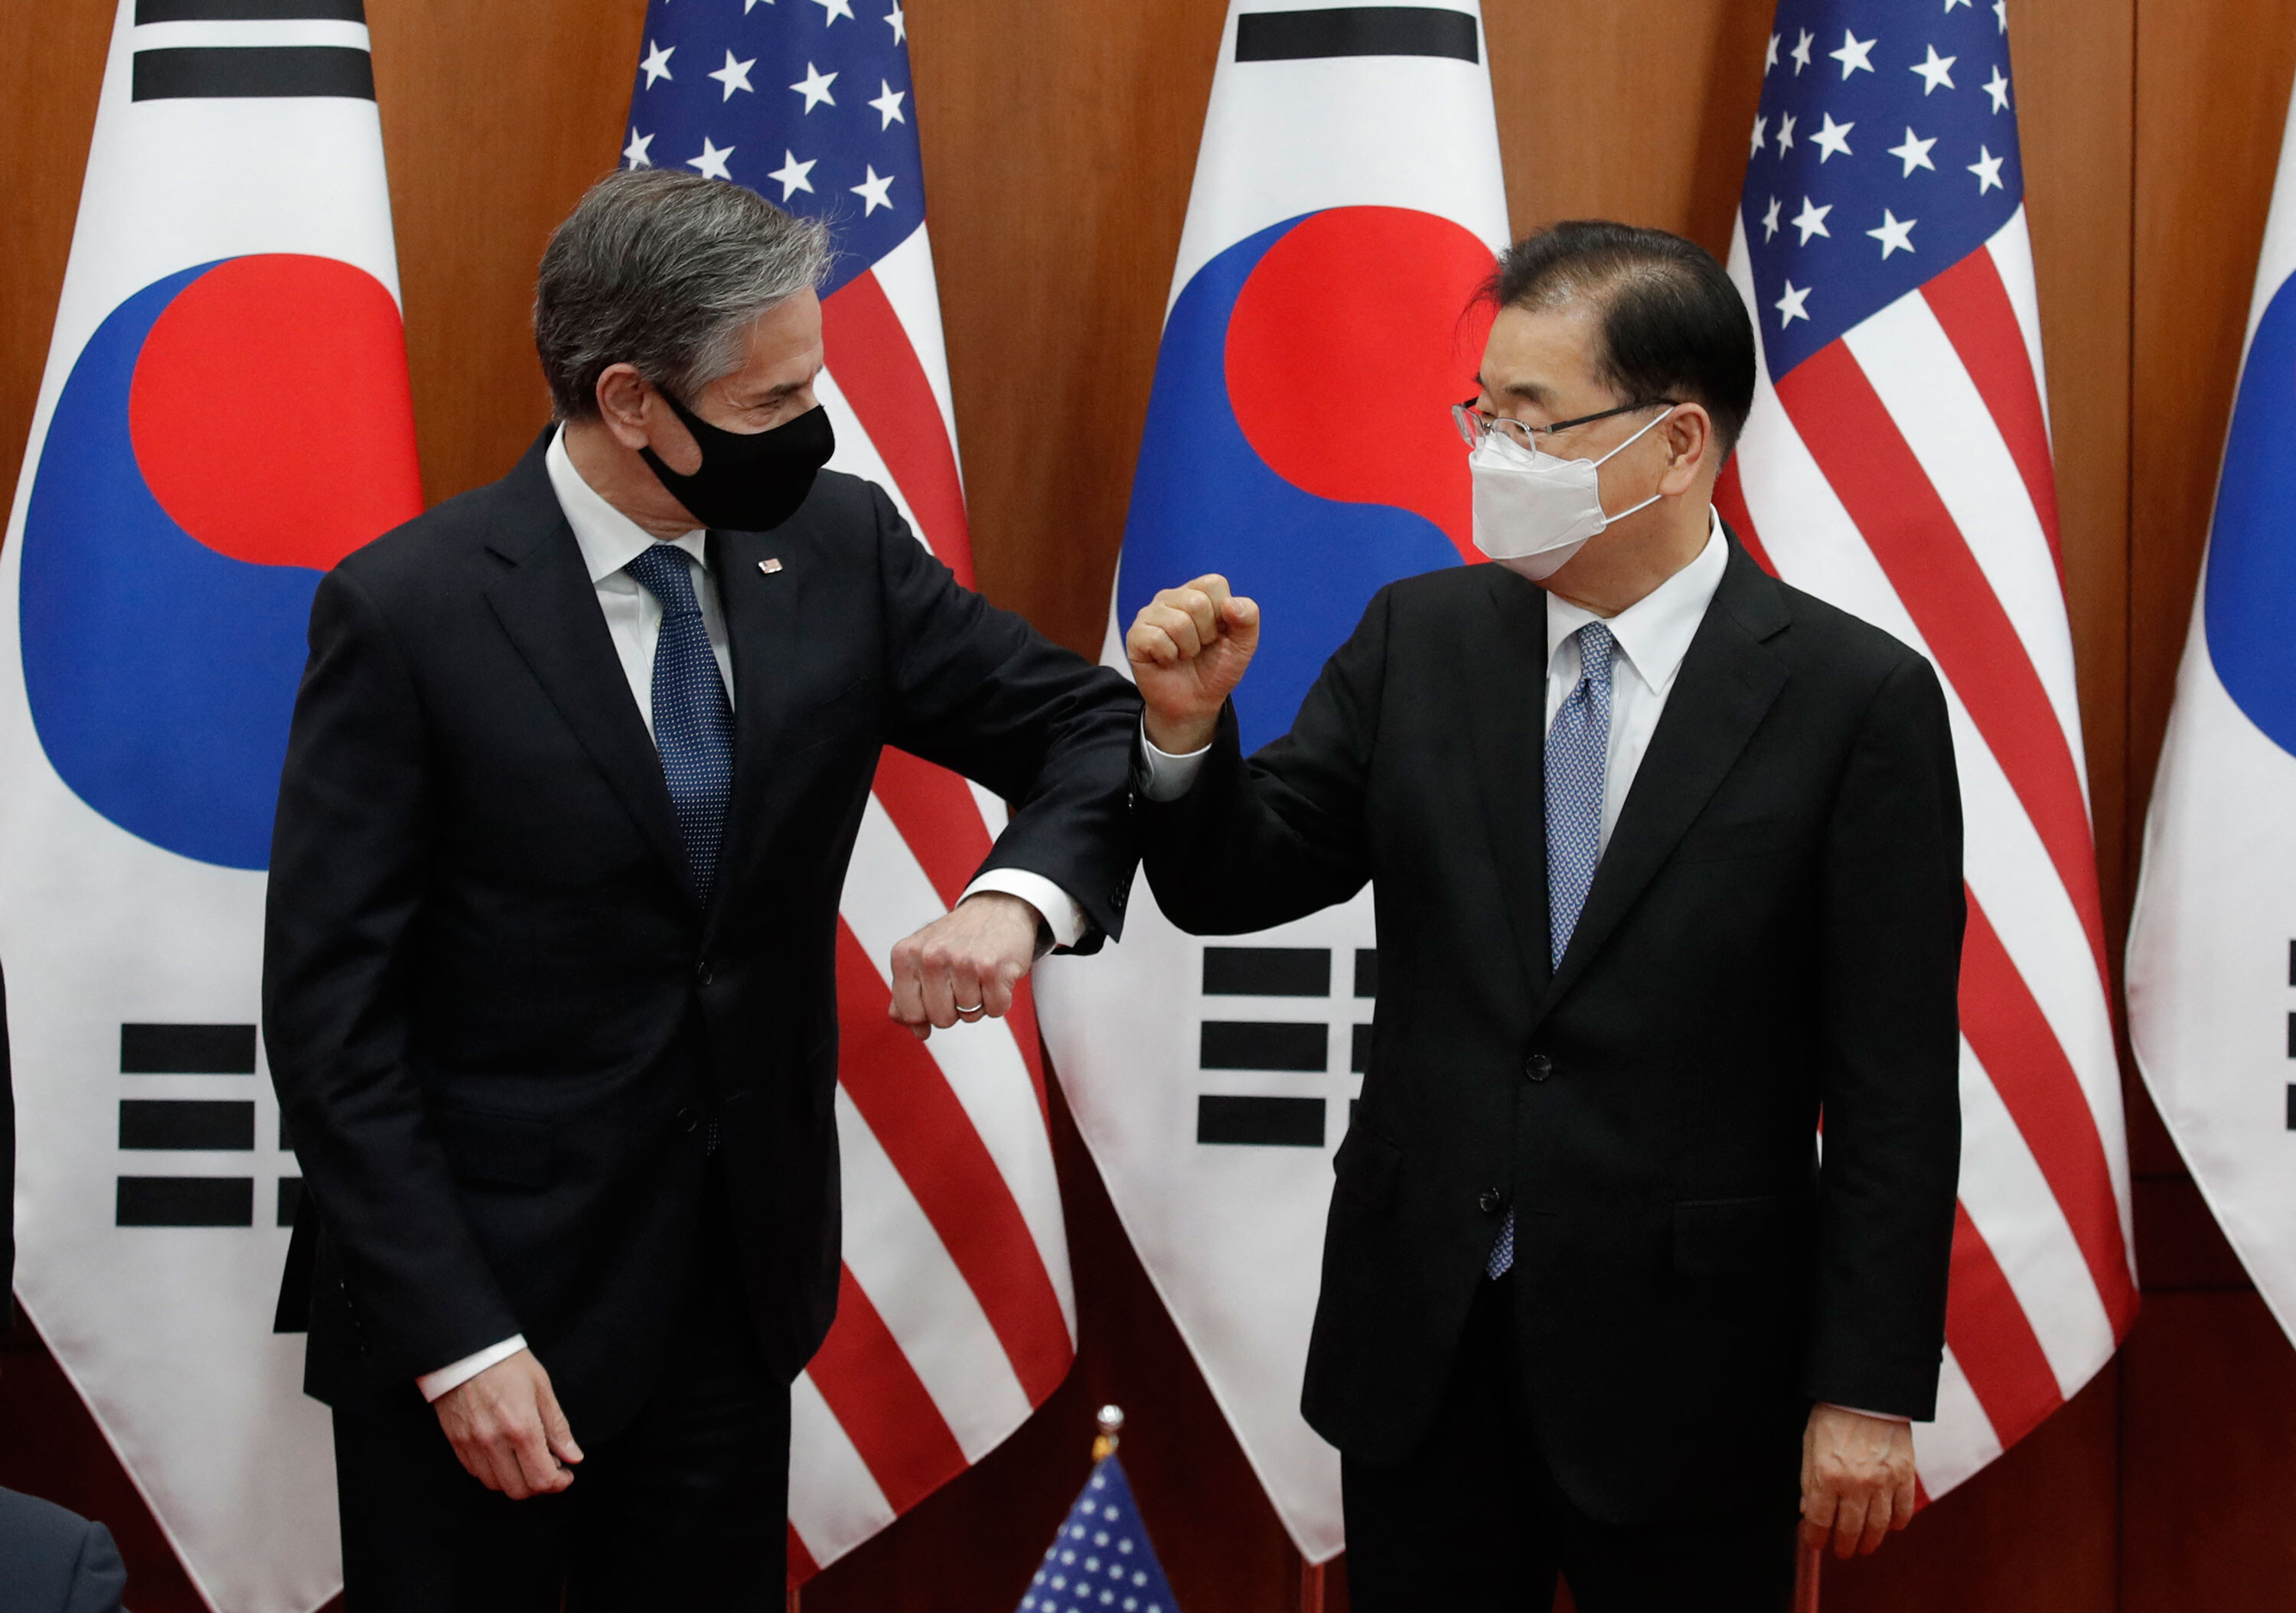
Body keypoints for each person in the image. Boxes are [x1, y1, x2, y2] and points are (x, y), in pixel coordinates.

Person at [264, 168, 1140, 1609]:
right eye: (766, 405)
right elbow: (330, 1022)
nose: (812, 430)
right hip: (487, 1327)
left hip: (733, 1309)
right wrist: (461, 1343)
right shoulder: (408, 611)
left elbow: (1085, 725)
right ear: (628, 402)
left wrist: (1015, 897)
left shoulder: (841, 548)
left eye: (812, 388)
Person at [1126, 221, 1963, 1611]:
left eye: (1533, 423)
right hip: (1426, 1343)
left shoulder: (1850, 700)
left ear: (1681, 444)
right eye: (1482, 414)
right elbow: (1236, 881)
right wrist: (1182, 737)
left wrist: (1865, 1387)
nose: (1490, 458)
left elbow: (1891, 1086)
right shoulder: (1422, 639)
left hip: (1694, 1372)